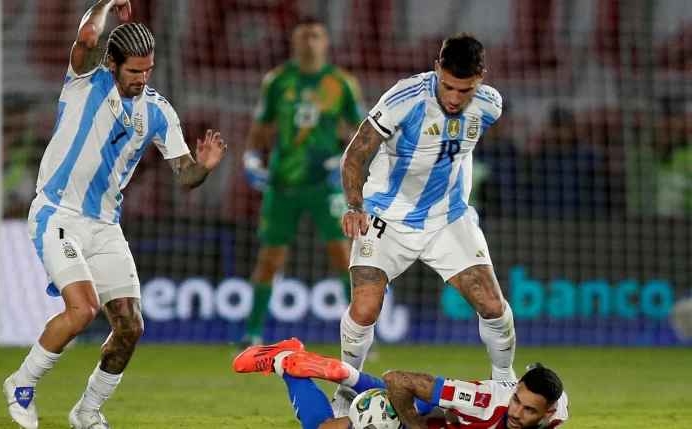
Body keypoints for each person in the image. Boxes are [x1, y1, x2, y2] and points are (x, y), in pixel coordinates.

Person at [3, 1, 227, 428]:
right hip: (58, 213)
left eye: (148, 71)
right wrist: (105, 3)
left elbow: (185, 176)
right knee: (84, 309)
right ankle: (22, 383)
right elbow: (87, 36)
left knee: (130, 326)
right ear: (112, 63)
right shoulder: (84, 81)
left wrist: (204, 168)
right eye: (133, 72)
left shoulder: (159, 112)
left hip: (105, 226)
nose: (142, 80)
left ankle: (86, 412)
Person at [335, 32, 514, 413]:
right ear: (437, 69)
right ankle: (347, 390)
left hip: (448, 220)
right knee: (365, 309)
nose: (453, 98)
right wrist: (354, 206)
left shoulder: (490, 105)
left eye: (463, 90)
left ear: (481, 78)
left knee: (493, 306)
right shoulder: (404, 99)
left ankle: (505, 384)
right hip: (385, 217)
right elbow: (353, 156)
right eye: (447, 86)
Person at [241, 17, 365, 349]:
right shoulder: (278, 81)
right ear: (294, 42)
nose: (310, 42)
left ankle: (362, 333)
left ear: (326, 42)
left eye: (316, 36)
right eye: (304, 36)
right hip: (283, 182)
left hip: (326, 184)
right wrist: (251, 158)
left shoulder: (341, 83)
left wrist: (343, 160)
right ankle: (252, 334)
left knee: (343, 255)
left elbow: (363, 131)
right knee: (270, 259)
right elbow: (262, 126)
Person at [233, 338, 569, 429]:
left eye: (528, 410)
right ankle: (285, 360)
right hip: (416, 414)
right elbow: (397, 379)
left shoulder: (558, 412)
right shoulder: (480, 401)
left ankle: (345, 375)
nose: (517, 412)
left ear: (547, 413)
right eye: (516, 401)